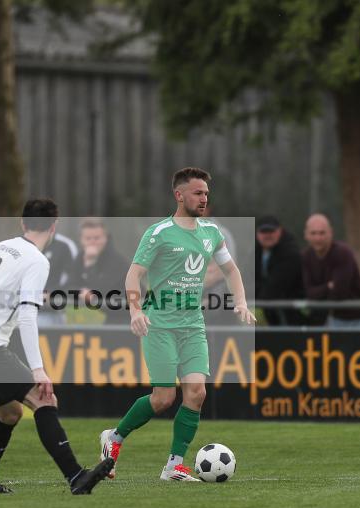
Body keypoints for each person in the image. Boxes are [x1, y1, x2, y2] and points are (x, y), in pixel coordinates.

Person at [0, 199, 114, 494]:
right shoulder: (37, 261)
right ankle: (76, 476)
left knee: (10, 414)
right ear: (53, 227)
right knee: (44, 401)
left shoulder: (0, 247)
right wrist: (39, 370)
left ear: (22, 223)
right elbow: (28, 315)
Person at [99, 167, 255, 482]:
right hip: (159, 325)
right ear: (179, 195)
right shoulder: (159, 233)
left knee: (196, 393)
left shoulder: (212, 232)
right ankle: (114, 437)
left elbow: (232, 270)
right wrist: (135, 310)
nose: (203, 198)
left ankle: (174, 466)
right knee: (163, 398)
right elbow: (134, 274)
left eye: (206, 193)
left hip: (192, 325)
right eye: (198, 193)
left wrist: (240, 301)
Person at [302, 213, 360, 328]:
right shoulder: (306, 256)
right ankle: (260, 324)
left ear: (331, 233)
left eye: (322, 233)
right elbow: (308, 293)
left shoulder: (342, 253)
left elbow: (339, 294)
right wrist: (327, 287)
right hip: (335, 319)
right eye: (313, 233)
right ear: (306, 235)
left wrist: (320, 291)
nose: (318, 238)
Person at [67, 218, 130, 324]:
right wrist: (80, 292)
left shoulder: (117, 261)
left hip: (131, 312)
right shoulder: (80, 257)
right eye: (88, 238)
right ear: (81, 240)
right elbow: (68, 286)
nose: (92, 242)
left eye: (97, 238)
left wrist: (89, 264)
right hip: (111, 313)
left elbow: (101, 290)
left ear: (106, 238)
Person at [254, 216, 306, 326]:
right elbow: (246, 278)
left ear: (280, 231)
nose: (267, 235)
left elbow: (276, 287)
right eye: (263, 231)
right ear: (257, 234)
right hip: (268, 309)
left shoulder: (290, 252)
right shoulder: (255, 249)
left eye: (271, 231)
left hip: (292, 313)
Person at [38, 232, 78, 326]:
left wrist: (54, 293)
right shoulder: (20, 244)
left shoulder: (65, 245)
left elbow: (73, 278)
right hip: (18, 312)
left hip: (49, 313)